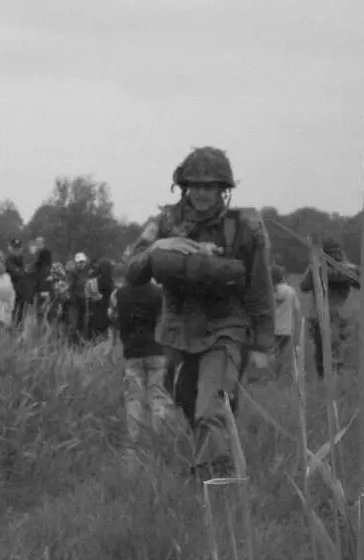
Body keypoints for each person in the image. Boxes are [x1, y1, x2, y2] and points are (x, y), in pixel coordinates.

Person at [122, 146, 275, 479]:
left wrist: (263, 345)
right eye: (196, 185)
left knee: (211, 407)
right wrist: (157, 248)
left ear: (224, 190)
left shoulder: (243, 227)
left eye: (212, 186)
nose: (203, 193)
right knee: (188, 402)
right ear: (184, 186)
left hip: (226, 327)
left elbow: (260, 285)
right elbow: (131, 271)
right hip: (178, 330)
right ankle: (222, 461)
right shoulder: (165, 222)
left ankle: (213, 482)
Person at [112, 275, 170, 455]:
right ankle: (159, 444)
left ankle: (133, 445)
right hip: (156, 351)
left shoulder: (120, 293)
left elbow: (117, 321)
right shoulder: (159, 293)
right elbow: (165, 321)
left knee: (134, 399)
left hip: (132, 353)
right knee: (158, 397)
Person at [299, 238, 359, 378]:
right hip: (340, 313)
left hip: (320, 314)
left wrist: (316, 268)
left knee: (322, 349)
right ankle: (332, 377)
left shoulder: (317, 268)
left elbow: (304, 287)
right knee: (335, 348)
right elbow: (361, 283)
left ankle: (325, 377)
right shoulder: (350, 269)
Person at [271, 265, 300, 378]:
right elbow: (297, 310)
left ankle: (270, 374)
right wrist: (298, 325)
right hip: (286, 329)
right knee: (280, 353)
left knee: (271, 352)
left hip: (270, 328)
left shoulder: (268, 290)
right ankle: (276, 375)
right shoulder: (290, 291)